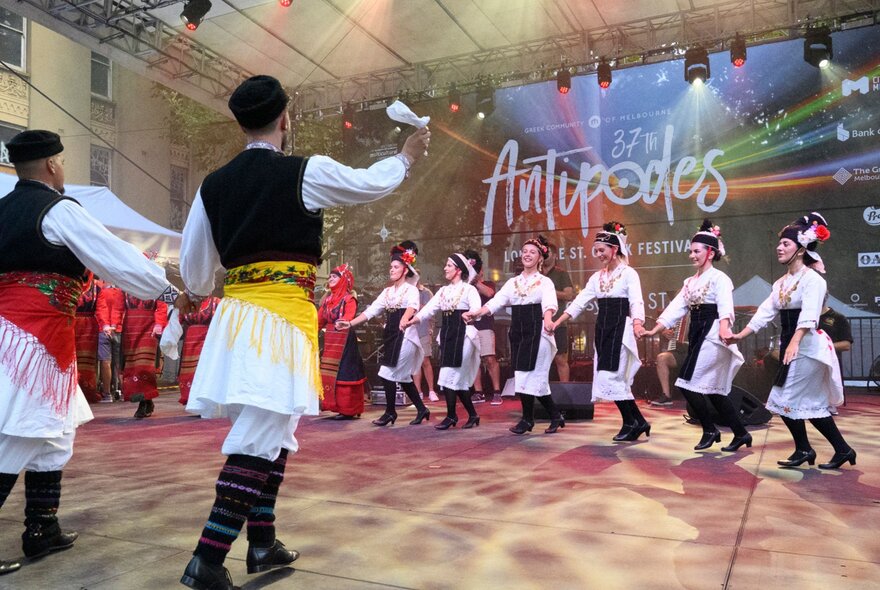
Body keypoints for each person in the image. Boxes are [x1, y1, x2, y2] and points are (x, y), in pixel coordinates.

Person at [178, 75, 429, 590]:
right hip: (280, 324)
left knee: (274, 430)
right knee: (259, 437)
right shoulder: (302, 172)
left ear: (241, 123)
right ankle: (207, 558)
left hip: (236, 321)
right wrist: (405, 158)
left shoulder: (212, 185)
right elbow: (367, 183)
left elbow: (197, 275)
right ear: (285, 117)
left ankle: (263, 542)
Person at [0, 130, 186, 576]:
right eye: (62, 162)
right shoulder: (58, 209)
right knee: (18, 433)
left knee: (54, 435)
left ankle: (42, 528)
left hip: (25, 337)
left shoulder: (2, 209)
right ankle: (39, 528)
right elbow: (112, 255)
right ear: (51, 165)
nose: (63, 169)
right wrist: (167, 290)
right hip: (33, 341)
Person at [728, 213, 856, 469]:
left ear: (800, 249)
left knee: (783, 399)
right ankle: (839, 450)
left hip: (808, 349)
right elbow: (765, 312)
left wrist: (795, 342)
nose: (779, 247)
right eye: (780, 243)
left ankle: (806, 449)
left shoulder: (813, 279)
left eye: (785, 243)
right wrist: (740, 335)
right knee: (805, 404)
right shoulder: (781, 283)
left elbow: (809, 315)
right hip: (794, 348)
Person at [642, 220, 749, 452]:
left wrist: (724, 328)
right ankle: (741, 433)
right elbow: (675, 308)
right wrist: (656, 329)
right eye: (690, 251)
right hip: (697, 334)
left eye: (696, 251)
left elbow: (725, 306)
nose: (692, 255)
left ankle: (710, 430)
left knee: (689, 384)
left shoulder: (720, 278)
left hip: (713, 336)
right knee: (713, 391)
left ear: (710, 252)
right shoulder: (689, 282)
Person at [551, 222, 650, 441]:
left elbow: (636, 301)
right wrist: (558, 321)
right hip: (603, 330)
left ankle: (630, 423)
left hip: (620, 331)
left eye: (602, 250)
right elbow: (579, 302)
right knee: (613, 379)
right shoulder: (597, 277)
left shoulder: (628, 274)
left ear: (615, 249)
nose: (598, 255)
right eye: (596, 251)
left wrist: (637, 323)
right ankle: (639, 422)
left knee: (612, 377)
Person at [464, 236, 563, 435]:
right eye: (525, 251)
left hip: (538, 331)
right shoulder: (513, 282)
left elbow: (549, 304)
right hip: (518, 331)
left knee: (535, 378)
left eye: (532, 252)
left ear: (540, 258)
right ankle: (552, 416)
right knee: (522, 376)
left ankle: (529, 419)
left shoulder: (545, 282)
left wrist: (548, 320)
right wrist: (477, 313)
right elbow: (496, 302)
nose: (527, 255)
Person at [335, 246, 430, 427]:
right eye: (391, 267)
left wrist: (404, 318)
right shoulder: (387, 292)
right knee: (403, 377)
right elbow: (371, 311)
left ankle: (390, 412)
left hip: (406, 337)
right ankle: (421, 409)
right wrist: (349, 323)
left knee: (386, 373)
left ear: (405, 270)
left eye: (396, 267)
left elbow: (413, 306)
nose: (392, 270)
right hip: (391, 336)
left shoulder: (411, 289)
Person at [403, 254, 482, 429]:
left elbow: (477, 309)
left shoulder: (469, 290)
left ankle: (452, 416)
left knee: (450, 377)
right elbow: (429, 310)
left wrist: (471, 314)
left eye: (449, 265)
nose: (445, 268)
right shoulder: (443, 291)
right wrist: (413, 320)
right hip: (447, 335)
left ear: (458, 270)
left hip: (464, 336)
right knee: (454, 380)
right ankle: (473, 415)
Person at [317, 264, 367, 420]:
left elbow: (348, 316)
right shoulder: (327, 300)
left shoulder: (349, 299)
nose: (330, 279)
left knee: (345, 373)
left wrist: (342, 322)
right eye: (330, 276)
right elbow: (319, 320)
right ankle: (335, 406)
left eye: (334, 276)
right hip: (331, 339)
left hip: (344, 339)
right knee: (331, 372)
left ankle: (349, 409)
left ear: (343, 280)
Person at [121, 291, 168, 418]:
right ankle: (146, 400)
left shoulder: (154, 284)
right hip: (130, 328)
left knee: (144, 367)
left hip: (149, 327)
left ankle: (144, 402)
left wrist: (159, 323)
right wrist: (113, 324)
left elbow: (162, 305)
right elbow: (118, 306)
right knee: (134, 369)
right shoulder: (125, 286)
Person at [464, 250, 503, 405]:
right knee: (472, 359)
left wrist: (476, 281)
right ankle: (478, 392)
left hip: (485, 326)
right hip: (470, 326)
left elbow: (490, 293)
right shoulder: (465, 287)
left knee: (489, 358)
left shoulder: (487, 284)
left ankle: (497, 392)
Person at [177, 296, 220, 406]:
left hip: (207, 341)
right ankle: (192, 400)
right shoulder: (185, 302)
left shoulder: (215, 302)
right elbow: (177, 320)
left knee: (203, 371)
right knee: (190, 373)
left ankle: (202, 402)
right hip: (190, 342)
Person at [543, 242, 574, 381]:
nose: (544, 255)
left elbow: (569, 294)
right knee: (540, 359)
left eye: (547, 252)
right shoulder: (535, 274)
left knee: (560, 359)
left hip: (558, 323)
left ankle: (565, 390)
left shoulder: (561, 274)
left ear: (555, 255)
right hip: (539, 323)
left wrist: (549, 291)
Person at [73, 275, 102, 403]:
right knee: (77, 358)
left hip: (84, 324)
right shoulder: (96, 287)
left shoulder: (97, 287)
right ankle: (80, 390)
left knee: (86, 359)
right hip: (78, 322)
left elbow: (101, 308)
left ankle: (85, 390)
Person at [650, 314, 688, 407]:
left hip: (698, 352)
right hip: (681, 351)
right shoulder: (678, 312)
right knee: (661, 358)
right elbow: (664, 325)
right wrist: (665, 331)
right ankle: (666, 396)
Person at [95, 280, 125, 401]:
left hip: (104, 330)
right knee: (119, 363)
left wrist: (106, 325)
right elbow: (121, 310)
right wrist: (115, 325)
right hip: (118, 330)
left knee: (105, 361)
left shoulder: (102, 292)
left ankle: (107, 394)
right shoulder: (121, 293)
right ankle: (124, 392)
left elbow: (101, 309)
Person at [412, 276, 438, 402]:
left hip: (423, 330)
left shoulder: (426, 292)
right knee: (415, 363)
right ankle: (418, 392)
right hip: (411, 332)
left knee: (425, 360)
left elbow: (430, 310)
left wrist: (416, 305)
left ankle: (431, 390)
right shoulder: (406, 292)